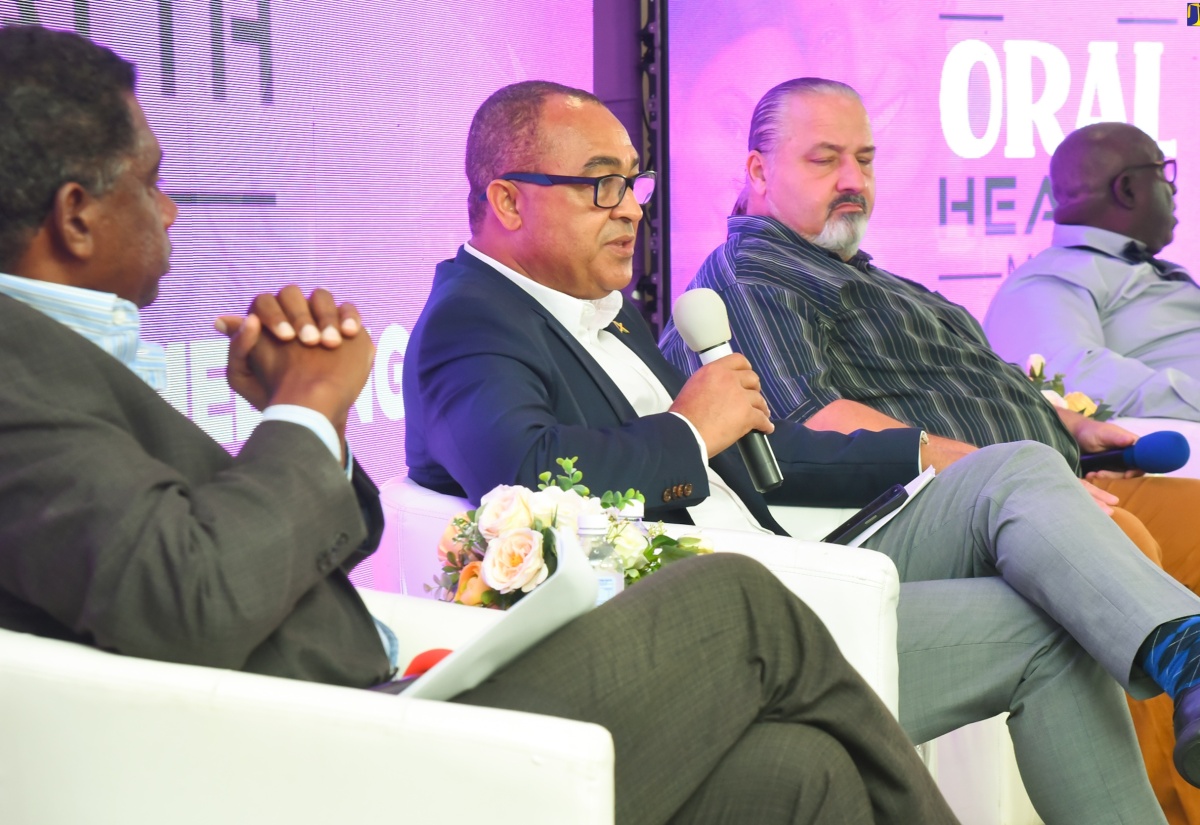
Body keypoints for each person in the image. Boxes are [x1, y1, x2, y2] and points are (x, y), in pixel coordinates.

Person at [0, 27, 963, 824]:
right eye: (150, 182)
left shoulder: (69, 352)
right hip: (339, 754)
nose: (170, 209)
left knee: (804, 773)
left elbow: (306, 534)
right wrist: (305, 408)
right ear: (77, 215)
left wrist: (304, 425)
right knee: (741, 604)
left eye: (632, 184)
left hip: (380, 689)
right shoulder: (16, 377)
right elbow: (188, 593)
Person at [401, 77, 1200, 825]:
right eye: (601, 184)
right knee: (1055, 629)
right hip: (724, 625)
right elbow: (529, 475)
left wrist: (918, 455)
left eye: (636, 183)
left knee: (1014, 469)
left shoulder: (605, 309)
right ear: (506, 198)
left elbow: (757, 461)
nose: (631, 209)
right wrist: (690, 427)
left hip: (794, 555)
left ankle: (1187, 652)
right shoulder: (470, 324)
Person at [657, 76, 1200, 821]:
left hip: (1054, 474)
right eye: (824, 160)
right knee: (1120, 552)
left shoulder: (859, 271)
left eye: (866, 159)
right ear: (756, 171)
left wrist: (1070, 426)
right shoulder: (754, 277)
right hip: (943, 510)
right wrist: (989, 471)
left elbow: (972, 375)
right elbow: (805, 420)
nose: (854, 181)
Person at [984, 122, 1200, 422]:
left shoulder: (1147, 271)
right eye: (1163, 172)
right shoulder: (1044, 282)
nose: (1173, 188)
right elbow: (1069, 377)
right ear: (1127, 188)